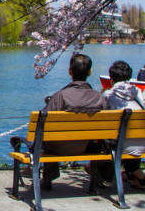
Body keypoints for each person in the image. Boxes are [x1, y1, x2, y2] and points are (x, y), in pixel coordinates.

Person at [42, 53, 107, 190]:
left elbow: (43, 124)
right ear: (90, 72)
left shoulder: (61, 96)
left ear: (70, 71)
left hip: (58, 148)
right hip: (85, 146)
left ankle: (48, 177)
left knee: (47, 136)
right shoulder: (99, 97)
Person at [102, 60, 145, 189]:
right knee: (127, 134)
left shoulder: (109, 95)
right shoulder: (138, 92)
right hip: (143, 142)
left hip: (121, 145)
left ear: (111, 78)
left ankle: (105, 175)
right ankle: (134, 173)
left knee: (106, 137)